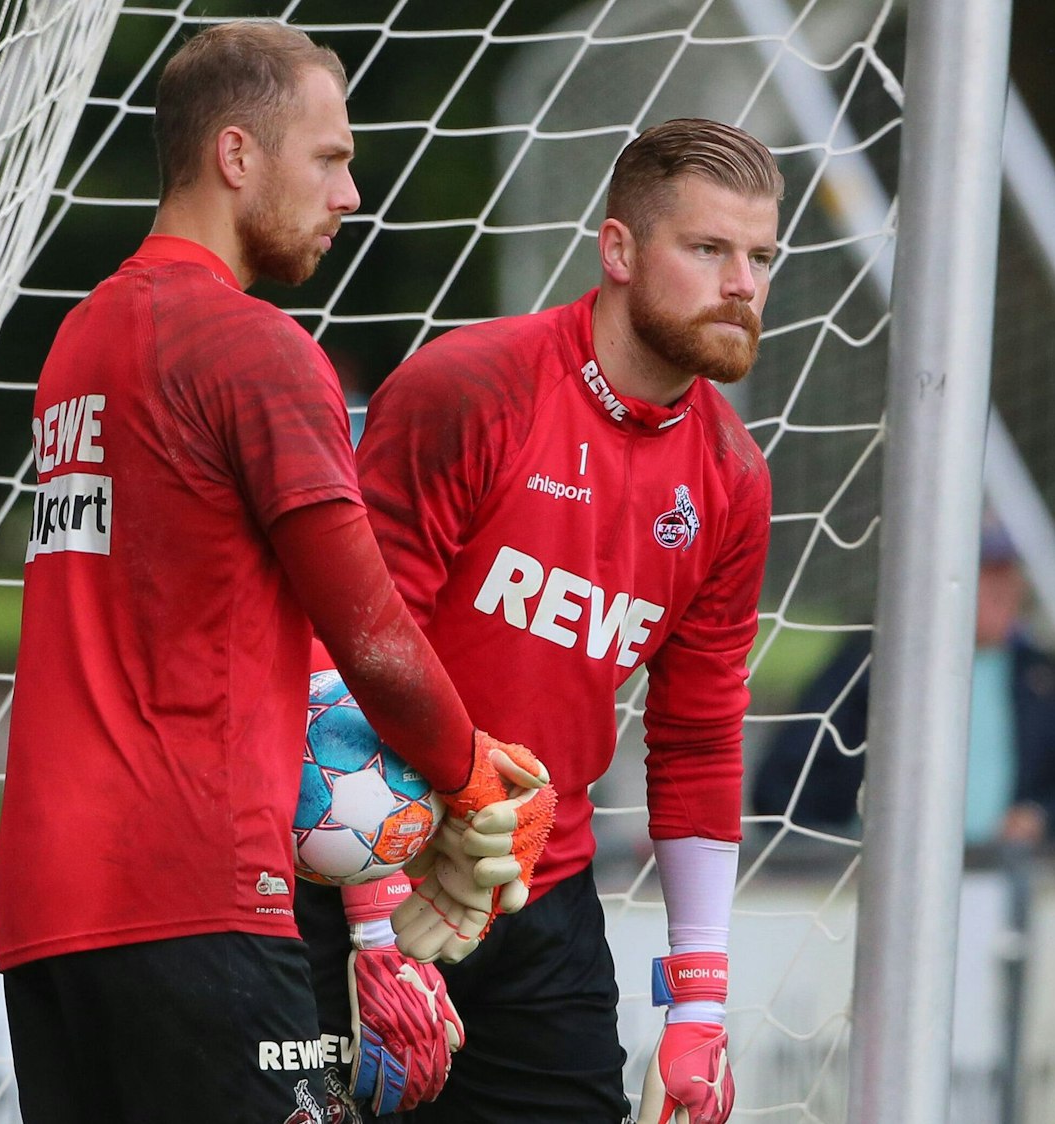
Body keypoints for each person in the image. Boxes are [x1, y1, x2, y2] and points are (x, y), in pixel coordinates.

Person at [0, 22, 540, 1122]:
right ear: (236, 156)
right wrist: (473, 772)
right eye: (330, 159)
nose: (350, 194)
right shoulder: (253, 346)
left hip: (49, 911)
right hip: (195, 893)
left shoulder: (81, 343)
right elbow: (369, 628)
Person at [297, 118, 779, 1123]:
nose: (742, 282)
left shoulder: (732, 479)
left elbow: (696, 738)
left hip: (536, 898)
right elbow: (347, 653)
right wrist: (376, 931)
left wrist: (698, 1000)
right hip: (357, 881)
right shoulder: (470, 389)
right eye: (707, 248)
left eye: (760, 256)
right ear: (617, 249)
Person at [751, 524, 1055, 846]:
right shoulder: (872, 661)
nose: (1001, 588)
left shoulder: (1039, 674)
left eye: (1008, 572)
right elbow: (786, 777)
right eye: (986, 573)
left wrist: (1037, 816)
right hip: (870, 873)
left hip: (999, 871)